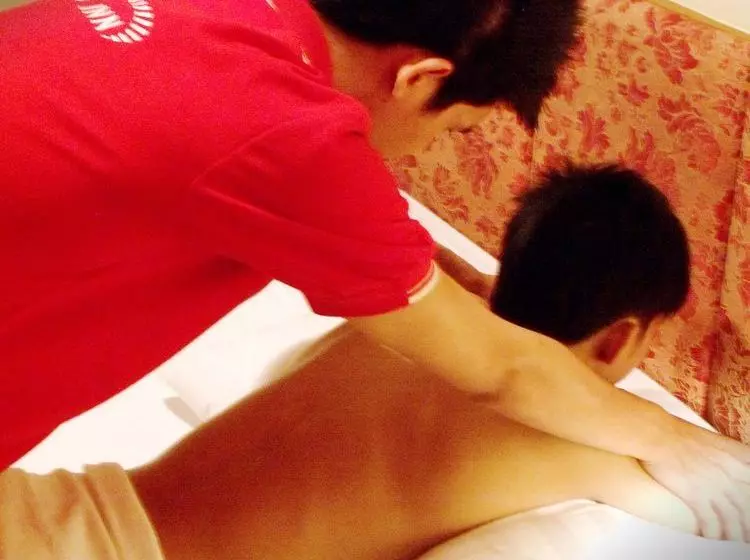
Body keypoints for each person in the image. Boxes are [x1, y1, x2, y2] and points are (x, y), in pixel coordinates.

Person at [1, 0, 748, 536]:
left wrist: (437, 276)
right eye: (453, 129)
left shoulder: (212, 18)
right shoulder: (291, 136)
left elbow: (374, 256)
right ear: (420, 78)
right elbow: (504, 370)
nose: (419, 154)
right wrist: (674, 437)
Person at [5, 165, 748, 560]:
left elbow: (440, 276)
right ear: (620, 340)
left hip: (51, 510)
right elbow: (722, 511)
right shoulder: (576, 451)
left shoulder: (384, 333)